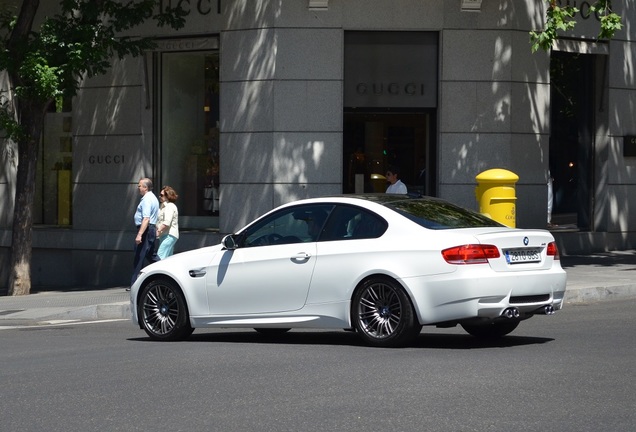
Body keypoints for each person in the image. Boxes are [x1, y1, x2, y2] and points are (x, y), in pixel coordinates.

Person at [131, 177, 160, 287]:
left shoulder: (147, 199)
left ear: (145, 187)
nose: (138, 188)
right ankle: (165, 270)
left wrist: (140, 234)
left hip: (145, 230)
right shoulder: (152, 198)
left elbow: (146, 218)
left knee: (139, 256)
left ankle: (135, 284)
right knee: (151, 255)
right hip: (150, 229)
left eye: (139, 186)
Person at [156, 186, 179, 259]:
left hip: (169, 235)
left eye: (162, 195)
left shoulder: (170, 206)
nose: (160, 196)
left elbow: (167, 222)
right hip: (165, 235)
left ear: (167, 196)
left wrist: (158, 231)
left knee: (160, 257)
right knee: (168, 259)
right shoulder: (163, 206)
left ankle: (158, 270)